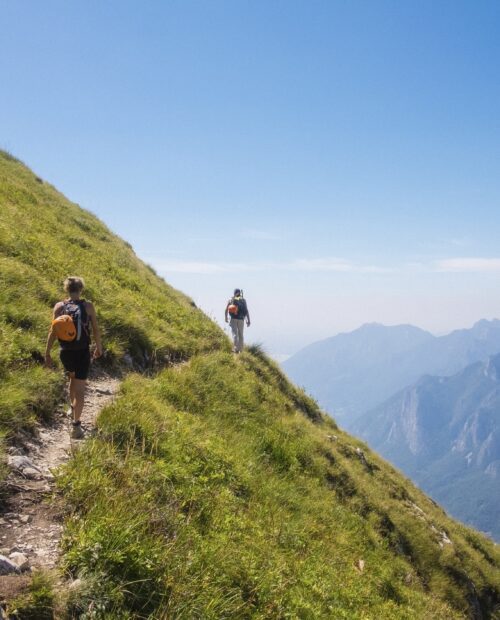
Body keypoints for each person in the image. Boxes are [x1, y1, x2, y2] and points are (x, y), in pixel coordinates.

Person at [44, 277, 103, 439]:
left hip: (65, 352)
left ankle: (72, 407)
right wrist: (99, 347)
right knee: (80, 388)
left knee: (72, 376)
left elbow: (53, 332)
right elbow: (96, 330)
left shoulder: (59, 306)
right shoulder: (88, 307)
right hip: (82, 352)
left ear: (67, 289)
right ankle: (76, 426)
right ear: (81, 289)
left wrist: (47, 353)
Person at [225, 288, 250, 353]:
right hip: (241, 319)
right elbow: (246, 310)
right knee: (241, 334)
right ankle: (241, 350)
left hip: (233, 319)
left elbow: (226, 309)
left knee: (235, 334)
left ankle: (236, 349)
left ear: (234, 293)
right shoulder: (243, 300)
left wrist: (226, 317)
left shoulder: (231, 299)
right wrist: (248, 320)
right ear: (240, 293)